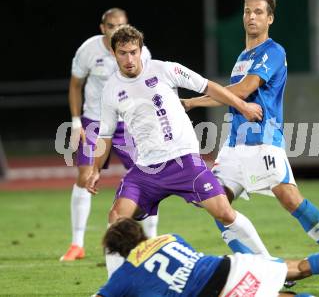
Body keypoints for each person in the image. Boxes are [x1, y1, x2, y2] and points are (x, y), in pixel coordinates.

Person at [181, 0, 319, 287]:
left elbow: (241, 92)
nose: (251, 16)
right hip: (234, 147)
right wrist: (195, 103)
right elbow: (236, 94)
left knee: (290, 199)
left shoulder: (273, 51)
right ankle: (268, 270)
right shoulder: (242, 57)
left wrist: (193, 102)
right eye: (247, 11)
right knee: (216, 204)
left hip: (263, 142)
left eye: (258, 12)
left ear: (270, 18)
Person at [85, 24, 271, 278]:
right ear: (114, 54)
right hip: (147, 169)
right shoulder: (110, 89)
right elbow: (105, 134)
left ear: (141, 50)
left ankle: (268, 263)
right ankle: (114, 286)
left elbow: (208, 86)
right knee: (116, 217)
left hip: (184, 162)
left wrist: (243, 106)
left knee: (225, 212)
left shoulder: (164, 69)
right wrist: (95, 168)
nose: (129, 59)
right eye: (122, 53)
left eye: (133, 52)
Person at [61, 8, 158, 262]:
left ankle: (151, 240)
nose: (116, 29)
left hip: (127, 123)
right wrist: (75, 121)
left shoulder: (140, 53)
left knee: (147, 178)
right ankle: (77, 244)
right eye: (111, 25)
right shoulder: (89, 50)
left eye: (121, 25)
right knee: (84, 177)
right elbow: (75, 84)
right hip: (94, 120)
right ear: (103, 27)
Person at [93, 218, 319, 297]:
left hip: (219, 291)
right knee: (300, 267)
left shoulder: (124, 276)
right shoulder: (168, 238)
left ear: (117, 250)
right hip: (232, 264)